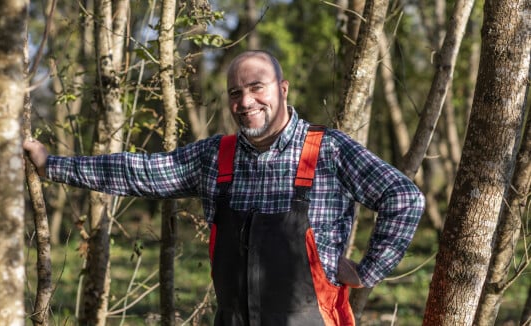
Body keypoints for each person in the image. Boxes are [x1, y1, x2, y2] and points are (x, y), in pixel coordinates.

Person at [24, 50, 425, 325]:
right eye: (235, 92)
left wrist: (369, 270)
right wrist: (52, 166)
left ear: (282, 89)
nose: (246, 100)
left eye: (257, 87)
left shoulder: (328, 150)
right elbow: (139, 172)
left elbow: (403, 197)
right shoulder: (217, 157)